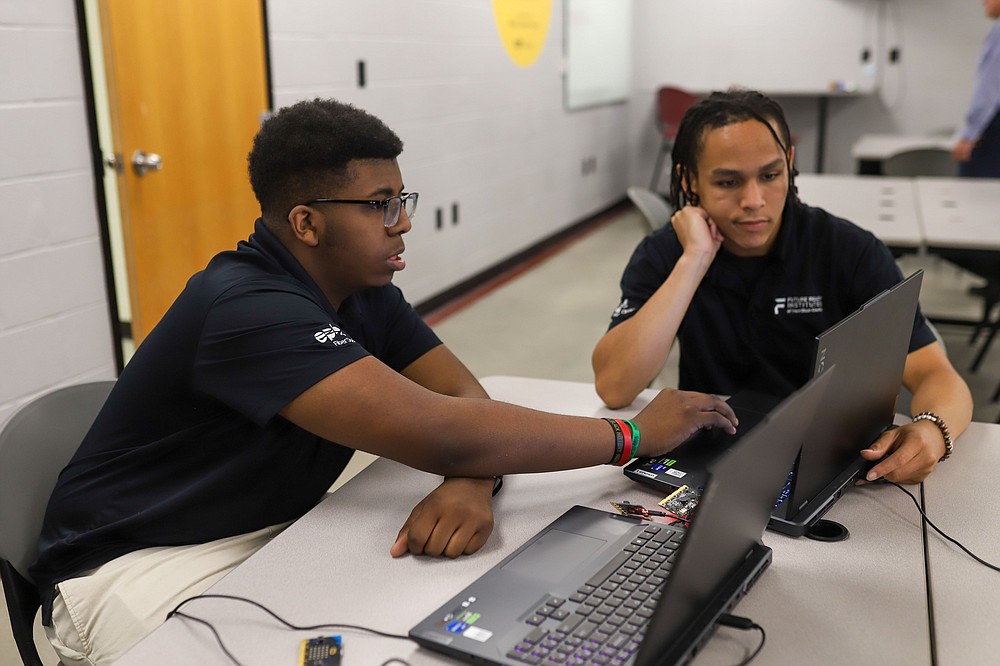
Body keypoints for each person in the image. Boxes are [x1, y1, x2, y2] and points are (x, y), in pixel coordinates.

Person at [30, 98, 738, 666]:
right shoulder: (243, 307)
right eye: (379, 205)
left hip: (267, 534)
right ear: (306, 223)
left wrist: (470, 476)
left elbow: (465, 401)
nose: (403, 225)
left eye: (403, 198)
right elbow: (440, 427)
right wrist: (633, 435)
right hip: (134, 570)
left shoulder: (361, 290)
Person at [593, 89, 973, 487]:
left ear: (789, 165)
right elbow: (615, 386)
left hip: (822, 457)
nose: (753, 200)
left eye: (770, 175)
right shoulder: (667, 253)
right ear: (691, 180)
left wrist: (932, 430)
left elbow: (937, 375)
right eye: (727, 181)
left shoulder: (848, 251)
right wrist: (693, 262)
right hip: (712, 454)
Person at [951, 0, 1000, 177]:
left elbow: (990, 87)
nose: (983, 1)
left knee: (975, 198)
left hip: (993, 131)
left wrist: (969, 134)